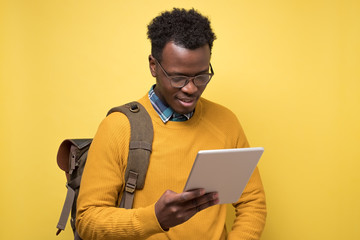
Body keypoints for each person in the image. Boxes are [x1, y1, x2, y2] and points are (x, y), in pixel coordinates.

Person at [76, 8, 266, 240]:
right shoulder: (118, 127)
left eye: (201, 76)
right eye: (178, 78)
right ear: (154, 66)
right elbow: (87, 220)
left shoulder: (226, 121)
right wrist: (155, 218)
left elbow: (252, 202)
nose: (191, 88)